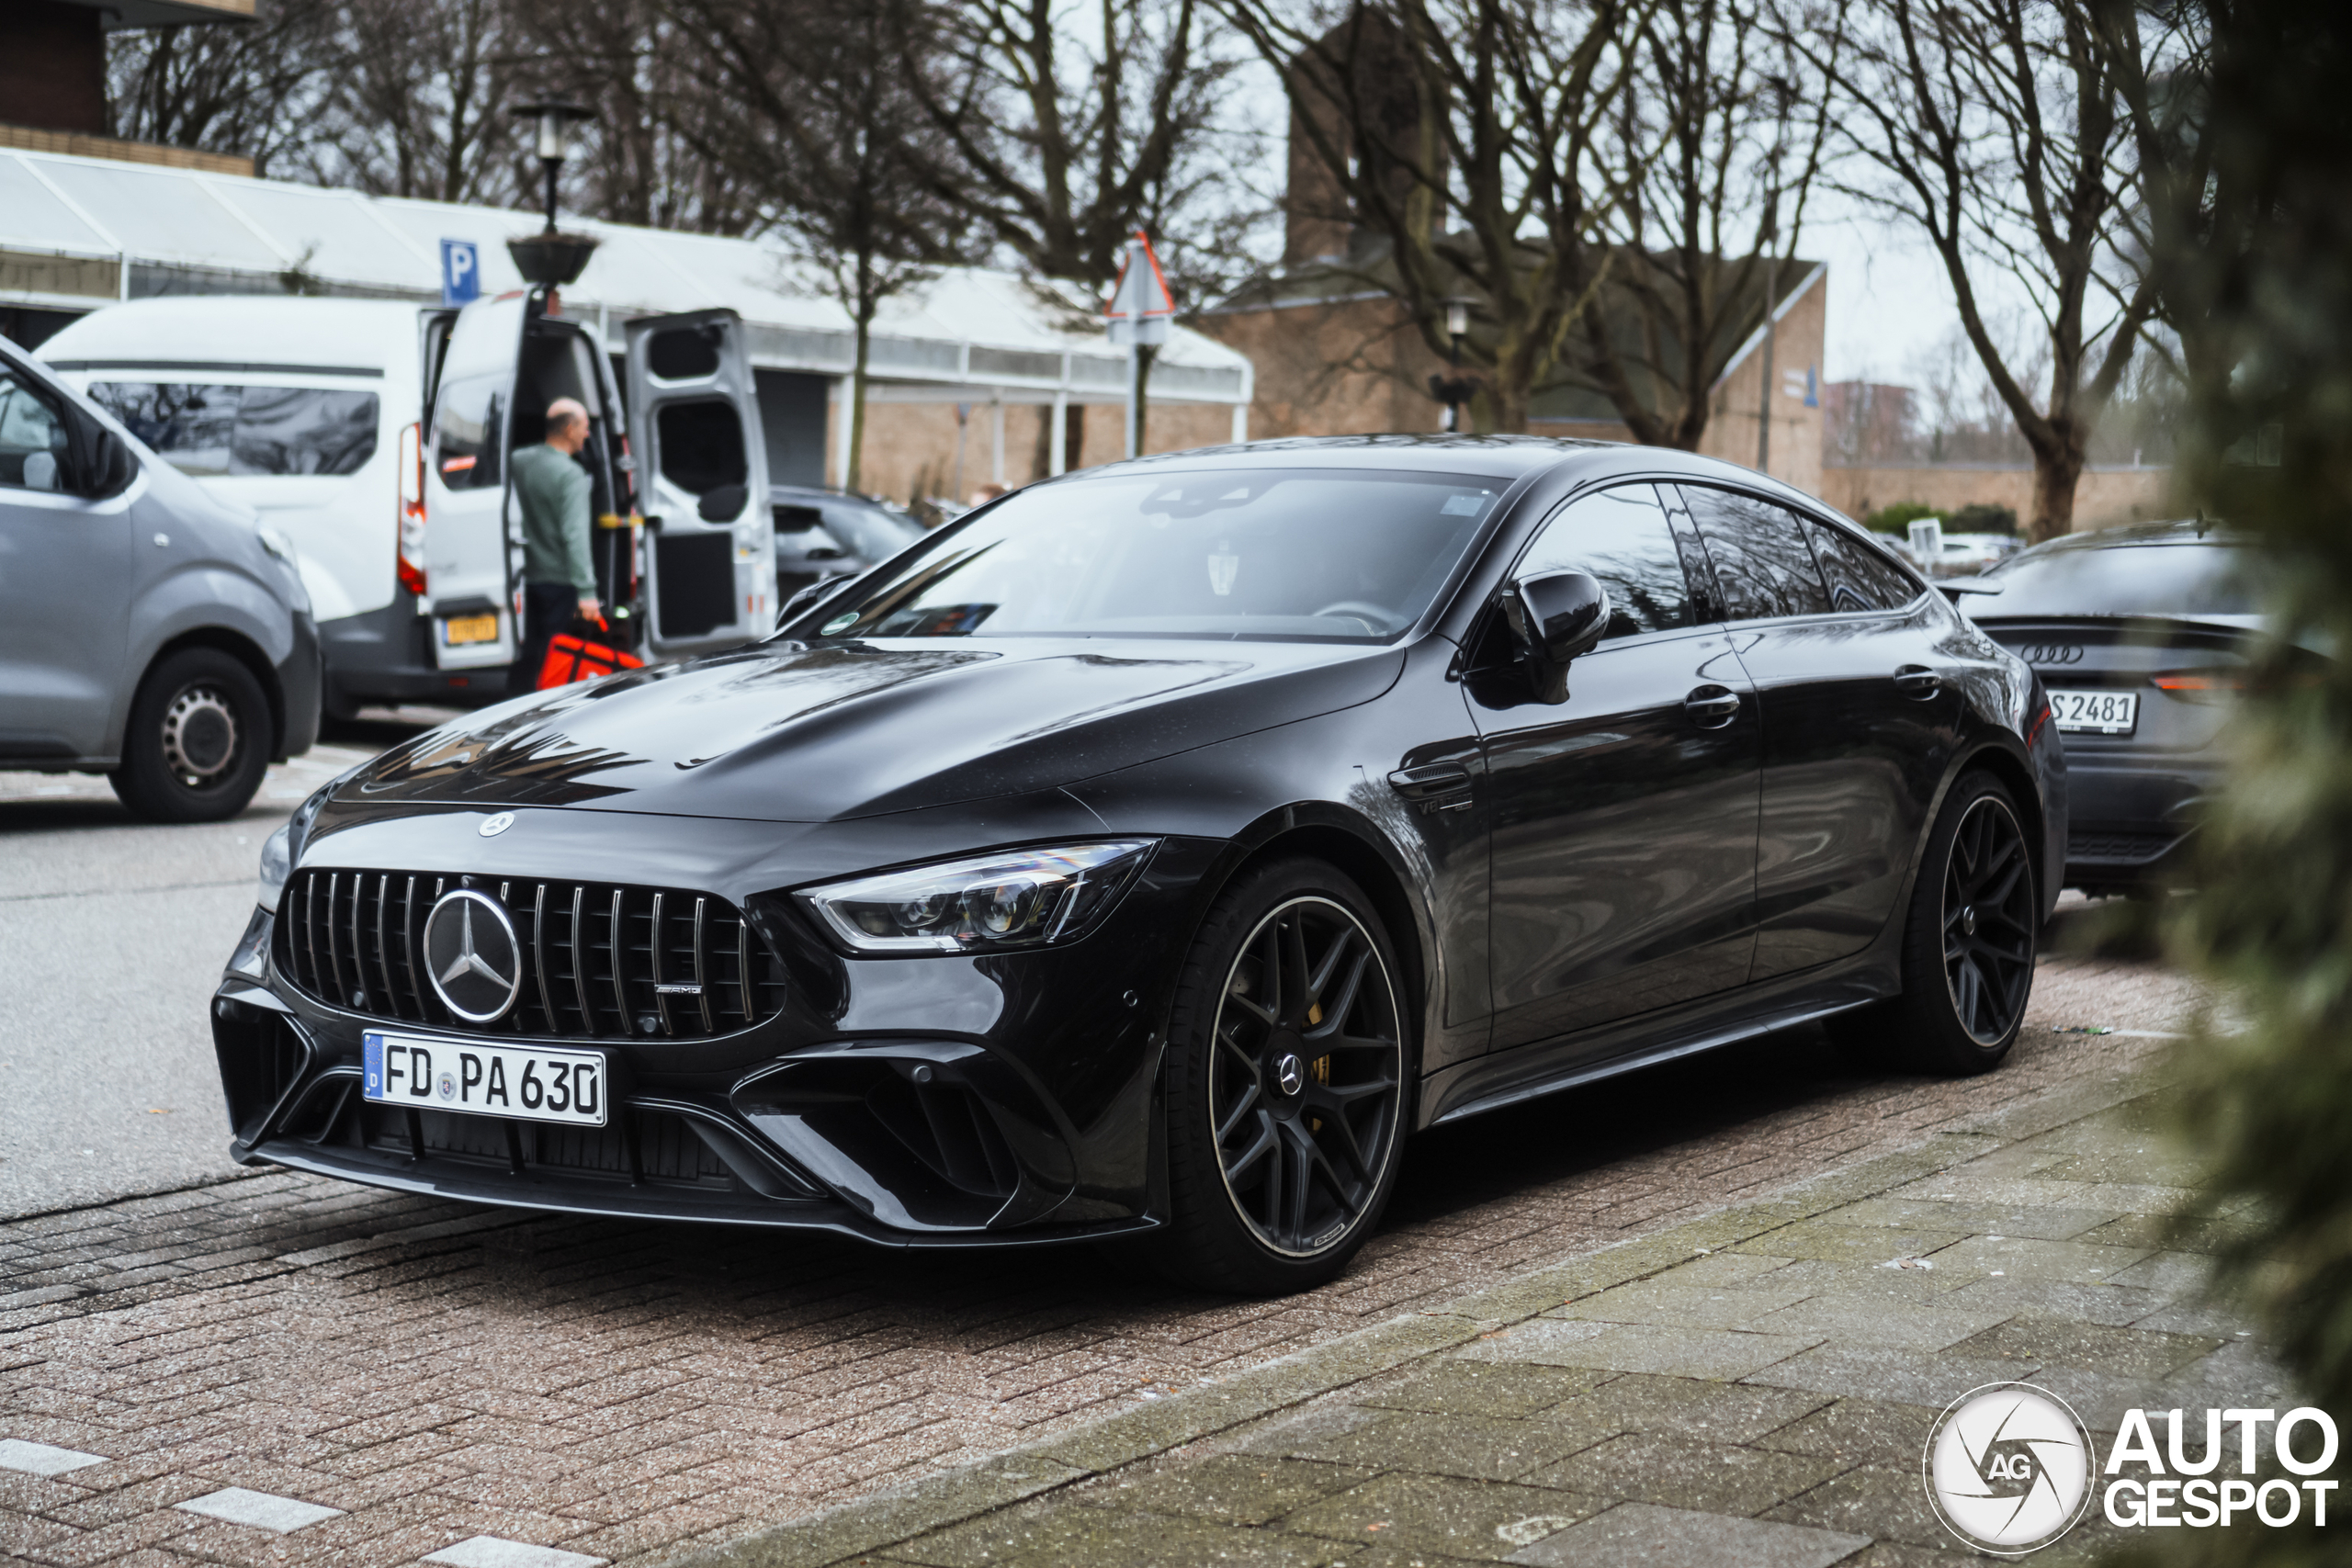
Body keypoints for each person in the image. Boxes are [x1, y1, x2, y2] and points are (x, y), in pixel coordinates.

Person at [509, 398, 600, 694]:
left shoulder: (517, 461)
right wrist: (587, 592)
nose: (588, 434)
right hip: (558, 582)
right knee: (552, 657)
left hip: (522, 577)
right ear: (570, 428)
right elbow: (575, 534)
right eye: (585, 428)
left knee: (525, 653)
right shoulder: (570, 475)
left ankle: (513, 709)